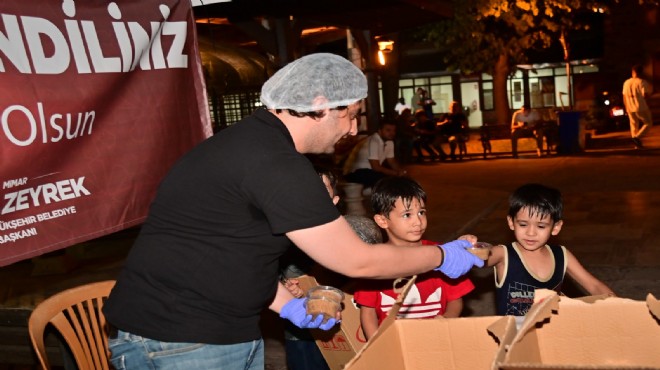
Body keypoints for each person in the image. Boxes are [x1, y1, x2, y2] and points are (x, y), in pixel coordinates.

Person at [102, 53, 484, 370]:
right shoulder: (276, 162)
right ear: (319, 104)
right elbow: (357, 260)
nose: (352, 128)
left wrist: (286, 305)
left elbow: (229, 246)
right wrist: (440, 255)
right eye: (350, 114)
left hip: (200, 330)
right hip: (184, 338)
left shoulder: (250, 142)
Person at [354, 176, 475, 340]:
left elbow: (456, 300)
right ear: (382, 220)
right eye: (407, 215)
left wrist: (446, 320)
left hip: (436, 340)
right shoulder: (374, 262)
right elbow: (367, 313)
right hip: (394, 344)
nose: (418, 221)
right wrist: (377, 346)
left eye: (421, 212)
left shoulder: (440, 255)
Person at [483, 183, 615, 318]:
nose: (531, 233)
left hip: (551, 332)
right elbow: (479, 257)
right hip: (514, 336)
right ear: (511, 222)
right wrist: (466, 248)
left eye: (541, 226)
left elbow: (594, 285)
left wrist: (621, 307)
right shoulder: (504, 255)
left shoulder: (562, 255)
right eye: (523, 224)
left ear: (556, 227)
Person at [279, 163, 339, 370]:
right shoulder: (282, 237)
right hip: (300, 333)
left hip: (342, 329)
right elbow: (267, 276)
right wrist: (286, 289)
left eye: (322, 189)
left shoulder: (348, 235)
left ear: (335, 200)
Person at [344, 119, 407, 189]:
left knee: (397, 179)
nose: (392, 133)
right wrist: (395, 173)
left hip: (371, 172)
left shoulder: (389, 142)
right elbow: (375, 167)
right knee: (385, 180)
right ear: (380, 130)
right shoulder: (374, 140)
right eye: (388, 130)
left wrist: (400, 171)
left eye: (394, 130)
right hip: (357, 173)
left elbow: (391, 161)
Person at [622, 64, 654, 149]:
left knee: (633, 125)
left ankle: (636, 143)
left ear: (633, 72)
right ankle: (637, 137)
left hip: (629, 107)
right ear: (641, 72)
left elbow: (624, 96)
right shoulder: (642, 82)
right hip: (640, 106)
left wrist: (626, 107)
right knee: (648, 123)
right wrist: (649, 103)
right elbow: (645, 95)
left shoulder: (626, 82)